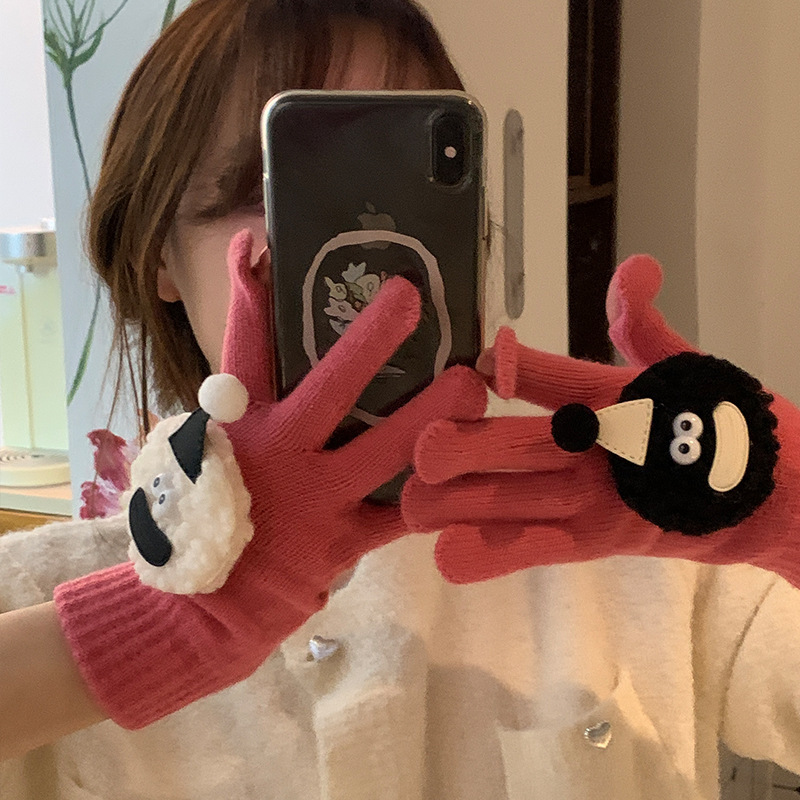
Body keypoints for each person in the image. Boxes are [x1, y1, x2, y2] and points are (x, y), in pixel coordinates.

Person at [1, 1, 800, 798]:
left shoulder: (652, 543)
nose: (368, 247)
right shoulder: (36, 595)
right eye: (280, 184)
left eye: (397, 185)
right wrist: (145, 637)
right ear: (158, 256)